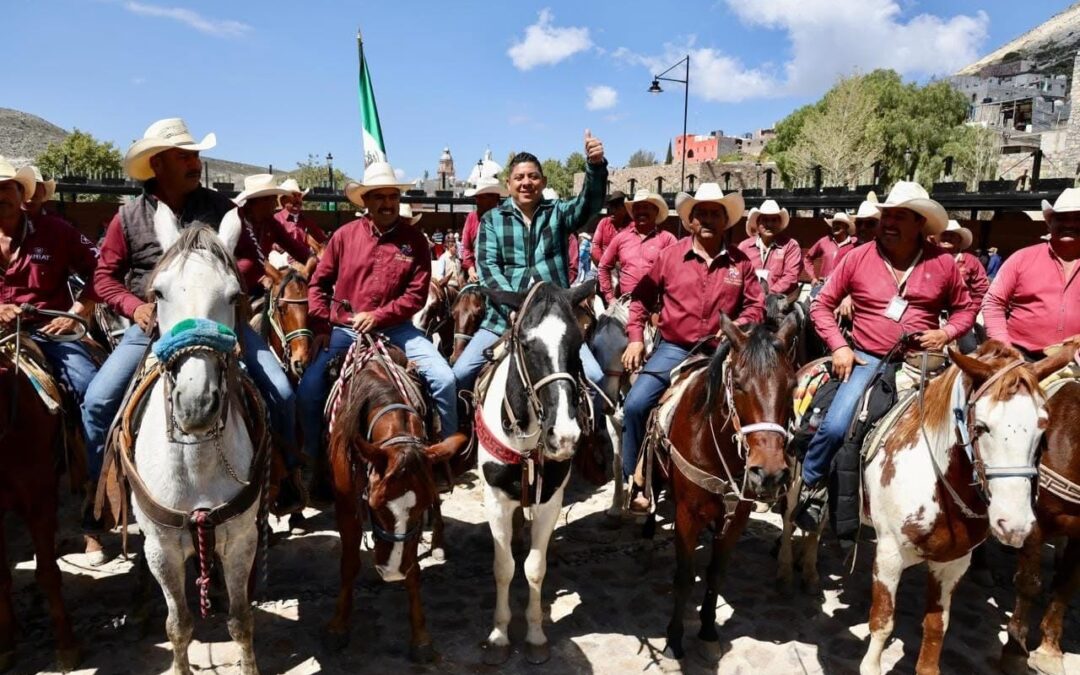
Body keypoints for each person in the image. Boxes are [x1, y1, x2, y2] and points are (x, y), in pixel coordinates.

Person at [83, 118, 299, 513]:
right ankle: (105, 494)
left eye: (195, 155)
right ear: (157, 163)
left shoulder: (222, 209)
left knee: (282, 394)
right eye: (183, 156)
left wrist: (219, 285)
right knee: (97, 401)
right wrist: (136, 307)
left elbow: (251, 258)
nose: (194, 162)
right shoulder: (128, 217)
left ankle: (285, 481)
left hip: (221, 322)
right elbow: (104, 277)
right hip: (154, 326)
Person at [795, 182, 976, 529]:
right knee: (834, 426)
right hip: (867, 358)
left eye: (901, 217)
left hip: (924, 361)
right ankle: (812, 483)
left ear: (920, 223)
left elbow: (965, 311)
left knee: (971, 428)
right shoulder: (857, 257)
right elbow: (821, 306)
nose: (890, 223)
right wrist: (839, 346)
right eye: (887, 216)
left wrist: (947, 332)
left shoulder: (942, 263)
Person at [299, 161, 458, 499]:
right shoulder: (343, 236)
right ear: (366, 202)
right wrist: (321, 323)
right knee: (309, 389)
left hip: (397, 329)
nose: (387, 203)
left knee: (444, 379)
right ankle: (311, 463)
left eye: (392, 196)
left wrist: (380, 315)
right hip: (345, 328)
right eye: (379, 197)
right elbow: (318, 284)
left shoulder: (415, 240)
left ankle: (445, 459)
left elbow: (416, 294)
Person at [620, 183, 759, 511]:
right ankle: (635, 481)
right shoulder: (669, 256)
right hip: (675, 348)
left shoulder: (742, 264)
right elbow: (640, 298)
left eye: (715, 213)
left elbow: (757, 307)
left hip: (721, 353)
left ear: (726, 221)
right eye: (702, 213)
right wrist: (636, 338)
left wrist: (738, 328)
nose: (708, 219)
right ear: (691, 221)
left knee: (759, 406)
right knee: (635, 406)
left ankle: (748, 478)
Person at [452, 131, 609, 393]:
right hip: (504, 319)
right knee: (460, 375)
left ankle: (595, 433)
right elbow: (489, 269)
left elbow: (588, 204)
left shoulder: (558, 212)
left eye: (533, 176)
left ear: (543, 181)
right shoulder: (492, 220)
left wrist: (594, 167)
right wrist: (515, 307)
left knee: (595, 377)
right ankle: (464, 433)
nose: (527, 182)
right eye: (519, 177)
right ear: (508, 183)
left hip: (554, 320)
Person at [0, 156, 100, 455]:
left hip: (48, 331)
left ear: (22, 194)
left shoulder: (57, 231)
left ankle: (97, 469)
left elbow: (103, 270)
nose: (0, 195)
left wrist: (76, 313)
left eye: (7, 188)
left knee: (90, 388)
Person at [982, 188, 1080, 359]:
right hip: (1021, 356)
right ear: (1050, 223)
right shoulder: (1022, 258)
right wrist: (1004, 346)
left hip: (1076, 359)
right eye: (1062, 218)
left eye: (1078, 218)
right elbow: (993, 302)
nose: (1070, 224)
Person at [597, 189, 676, 304]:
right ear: (633, 212)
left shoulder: (667, 239)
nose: (641, 211)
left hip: (656, 308)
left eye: (646, 207)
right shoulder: (621, 238)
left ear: (656, 211)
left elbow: (679, 272)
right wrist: (610, 298)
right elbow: (603, 266)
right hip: (626, 306)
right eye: (637, 208)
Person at [932, 220, 988, 354]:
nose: (947, 238)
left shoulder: (970, 260)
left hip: (961, 311)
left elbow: (981, 288)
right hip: (933, 311)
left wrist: (972, 309)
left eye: (952, 235)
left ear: (959, 240)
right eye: (944, 234)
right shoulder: (930, 258)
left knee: (968, 348)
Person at [738, 199, 803, 296]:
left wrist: (768, 295)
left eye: (774, 220)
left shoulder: (790, 246)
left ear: (779, 223)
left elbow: (791, 276)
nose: (769, 224)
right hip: (750, 299)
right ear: (758, 222)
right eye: (765, 220)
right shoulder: (744, 247)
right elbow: (737, 275)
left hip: (780, 300)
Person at [460, 176, 507, 282]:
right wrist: (471, 270)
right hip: (476, 275)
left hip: (503, 274)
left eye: (481, 197)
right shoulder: (472, 218)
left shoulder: (506, 218)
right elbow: (466, 248)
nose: (477, 201)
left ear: (494, 199)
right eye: (477, 197)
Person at [274, 177, 328, 261]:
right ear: (283, 200)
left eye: (299, 196)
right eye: (293, 196)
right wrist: (276, 246)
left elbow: (323, 240)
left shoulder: (307, 221)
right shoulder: (275, 220)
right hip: (283, 264)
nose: (298, 200)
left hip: (306, 261)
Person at [805, 212, 856, 290]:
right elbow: (807, 258)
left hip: (845, 289)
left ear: (846, 226)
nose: (835, 226)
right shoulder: (824, 241)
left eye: (839, 223)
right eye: (834, 223)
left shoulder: (854, 244)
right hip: (823, 287)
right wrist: (812, 278)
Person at [591, 191, 630, 264]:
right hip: (602, 265)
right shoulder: (604, 223)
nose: (613, 210)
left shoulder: (631, 226)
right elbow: (595, 246)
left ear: (625, 209)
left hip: (623, 268)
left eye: (617, 207)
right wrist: (605, 263)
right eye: (611, 207)